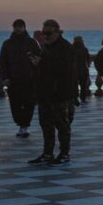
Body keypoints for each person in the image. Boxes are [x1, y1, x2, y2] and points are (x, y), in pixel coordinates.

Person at [29, 19, 76, 166]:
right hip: (45, 93)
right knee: (46, 124)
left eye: (48, 33)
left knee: (62, 125)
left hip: (60, 94)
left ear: (57, 32)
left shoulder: (66, 48)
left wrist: (41, 63)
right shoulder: (46, 48)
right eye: (43, 33)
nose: (45, 36)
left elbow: (64, 70)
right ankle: (47, 153)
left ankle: (64, 154)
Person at [0, 18, 39, 139]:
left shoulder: (32, 42)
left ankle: (24, 125)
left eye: (20, 26)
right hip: (13, 79)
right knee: (15, 103)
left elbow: (38, 60)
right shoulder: (7, 44)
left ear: (24, 27)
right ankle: (20, 123)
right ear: (13, 28)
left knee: (29, 103)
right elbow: (3, 62)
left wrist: (36, 74)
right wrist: (4, 77)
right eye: (16, 27)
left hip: (29, 79)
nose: (18, 29)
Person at [71, 36, 91, 105]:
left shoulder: (71, 48)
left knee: (74, 85)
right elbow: (88, 58)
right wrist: (88, 66)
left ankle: (75, 98)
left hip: (74, 69)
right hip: (83, 69)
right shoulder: (84, 49)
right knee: (83, 86)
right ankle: (83, 99)